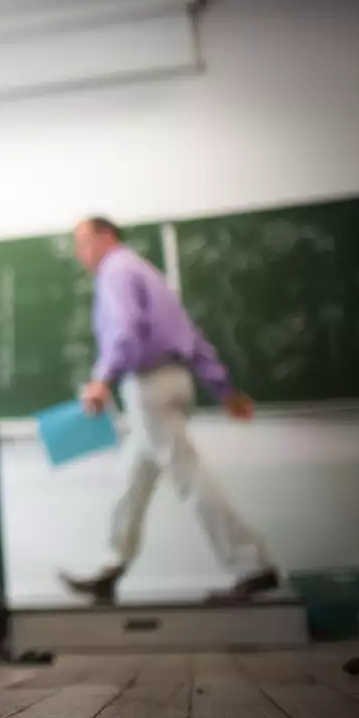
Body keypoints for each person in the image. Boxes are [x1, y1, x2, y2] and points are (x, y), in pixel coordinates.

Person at [62, 217, 279, 604]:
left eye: (83, 243)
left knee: (189, 477)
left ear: (106, 235)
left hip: (148, 386)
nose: (81, 254)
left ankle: (253, 566)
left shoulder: (116, 271)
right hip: (173, 381)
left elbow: (125, 330)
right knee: (131, 480)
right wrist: (223, 388)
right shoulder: (146, 271)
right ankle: (111, 568)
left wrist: (101, 379)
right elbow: (191, 335)